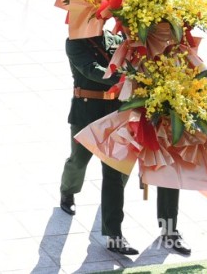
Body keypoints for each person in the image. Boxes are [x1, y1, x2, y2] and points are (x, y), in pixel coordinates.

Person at [58, 34, 138, 256]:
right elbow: (90, 69)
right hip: (86, 111)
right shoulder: (75, 42)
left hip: (114, 112)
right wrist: (127, 79)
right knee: (79, 160)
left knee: (114, 172)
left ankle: (114, 235)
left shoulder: (116, 38)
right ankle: (68, 191)